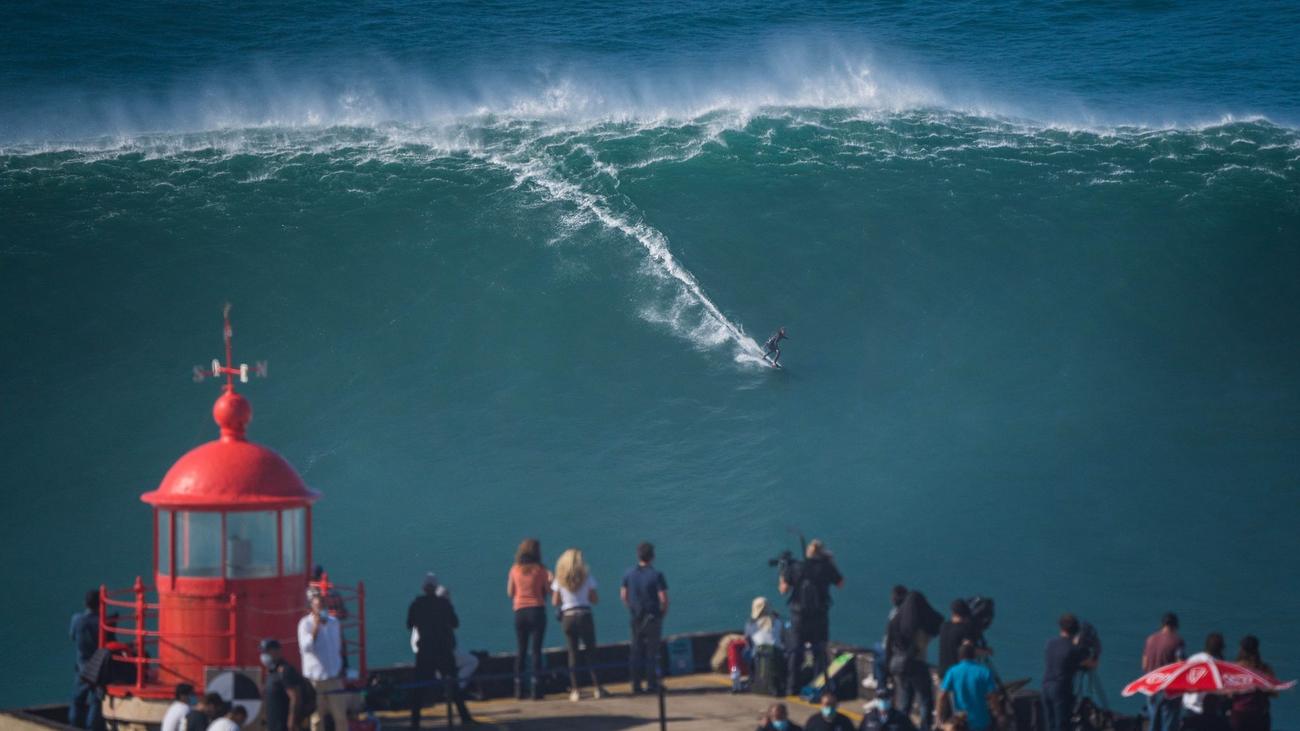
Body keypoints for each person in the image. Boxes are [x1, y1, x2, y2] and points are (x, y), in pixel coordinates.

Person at [407, 572, 475, 727]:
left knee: (419, 687)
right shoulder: (444, 604)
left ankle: (414, 721)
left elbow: (409, 624)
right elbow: (455, 623)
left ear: (424, 588)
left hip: (425, 651)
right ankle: (465, 717)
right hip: (444, 651)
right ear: (436, 588)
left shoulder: (416, 604)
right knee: (453, 685)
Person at [779, 539, 844, 696]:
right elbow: (841, 583)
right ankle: (817, 689)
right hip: (819, 618)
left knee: (796, 653)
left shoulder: (795, 567)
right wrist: (831, 563)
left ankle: (792, 688)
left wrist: (782, 573)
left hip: (798, 617)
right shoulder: (826, 568)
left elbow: (783, 590)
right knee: (819, 654)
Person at [551, 547, 606, 701]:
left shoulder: (559, 579)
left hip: (568, 617)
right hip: (584, 615)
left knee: (572, 653)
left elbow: (555, 601)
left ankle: (575, 690)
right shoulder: (587, 577)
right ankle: (598, 688)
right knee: (591, 652)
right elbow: (594, 599)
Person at [885, 586, 942, 731]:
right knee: (925, 699)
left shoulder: (894, 621)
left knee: (905, 702)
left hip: (897, 665)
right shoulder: (919, 628)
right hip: (915, 665)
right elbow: (935, 628)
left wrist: (887, 670)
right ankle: (924, 727)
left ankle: (901, 727)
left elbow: (887, 646)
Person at [621, 541, 669, 694]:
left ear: (638, 555)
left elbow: (623, 595)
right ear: (652, 556)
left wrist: (631, 608)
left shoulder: (628, 573)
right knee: (652, 652)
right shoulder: (657, 575)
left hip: (636, 617)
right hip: (652, 618)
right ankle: (651, 684)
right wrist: (662, 615)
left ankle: (635, 685)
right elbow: (664, 599)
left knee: (635, 651)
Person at [298, 587, 348, 731]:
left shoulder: (334, 623)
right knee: (317, 718)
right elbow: (305, 648)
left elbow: (337, 648)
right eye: (318, 606)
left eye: (323, 606)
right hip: (315, 680)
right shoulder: (304, 624)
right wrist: (315, 628)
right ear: (311, 608)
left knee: (341, 716)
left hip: (333, 677)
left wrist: (341, 668)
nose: (322, 609)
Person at [507, 538, 551, 700]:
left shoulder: (515, 569)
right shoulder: (540, 570)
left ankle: (518, 688)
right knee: (536, 650)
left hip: (520, 612)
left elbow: (510, 592)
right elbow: (547, 589)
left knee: (521, 650)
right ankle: (536, 689)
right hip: (536, 611)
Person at [1042, 613, 1097, 731]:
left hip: (1046, 686)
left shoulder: (1050, 643)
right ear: (1075, 630)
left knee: (1051, 724)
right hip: (1061, 689)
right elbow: (1091, 664)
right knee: (1063, 725)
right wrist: (1097, 651)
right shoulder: (1073, 650)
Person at [1143, 612, 1187, 731]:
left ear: (1162, 624)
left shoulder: (1150, 640)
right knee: (1168, 725)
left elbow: (1144, 665)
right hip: (1168, 690)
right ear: (1176, 626)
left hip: (1151, 687)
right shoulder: (1178, 642)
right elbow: (1180, 666)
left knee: (1153, 724)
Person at [939, 643, 996, 731]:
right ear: (974, 656)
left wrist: (939, 719)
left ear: (959, 657)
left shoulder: (952, 672)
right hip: (982, 722)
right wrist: (999, 713)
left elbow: (942, 696)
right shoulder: (984, 672)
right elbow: (993, 696)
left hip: (962, 722)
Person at [69, 589, 102, 730]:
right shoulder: (101, 622)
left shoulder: (77, 619)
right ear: (100, 604)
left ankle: (75, 725)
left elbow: (72, 636)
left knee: (77, 699)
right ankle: (91, 727)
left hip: (82, 665)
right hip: (97, 667)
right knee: (96, 700)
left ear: (85, 603)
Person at [1182, 633, 1228, 731]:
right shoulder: (1217, 665)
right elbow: (1218, 690)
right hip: (1205, 710)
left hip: (1188, 706)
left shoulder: (1192, 659)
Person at [1229, 636, 1274, 731]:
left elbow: (1229, 693)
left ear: (1241, 649)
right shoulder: (1265, 669)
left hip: (1239, 716)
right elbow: (1274, 693)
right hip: (1259, 715)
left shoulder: (1235, 669)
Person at [937, 600, 990, 679]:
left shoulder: (944, 626)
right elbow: (970, 650)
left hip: (942, 673)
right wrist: (987, 651)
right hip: (957, 674)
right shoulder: (964, 630)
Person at [260, 639, 304, 731]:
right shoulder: (271, 671)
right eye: (263, 652)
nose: (264, 655)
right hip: (273, 723)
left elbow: (294, 697)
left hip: (283, 724)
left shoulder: (285, 670)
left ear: (277, 651)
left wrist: (291, 720)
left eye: (267, 652)